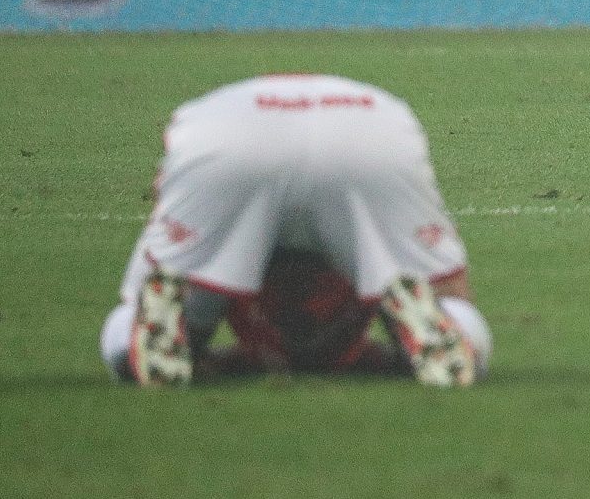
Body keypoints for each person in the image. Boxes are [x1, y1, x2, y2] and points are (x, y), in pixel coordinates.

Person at [101, 74, 484, 387]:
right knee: (447, 301)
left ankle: (173, 330)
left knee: (143, 305)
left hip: (226, 135)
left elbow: (161, 188)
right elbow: (453, 282)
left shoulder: (210, 111)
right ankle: (430, 324)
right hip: (371, 130)